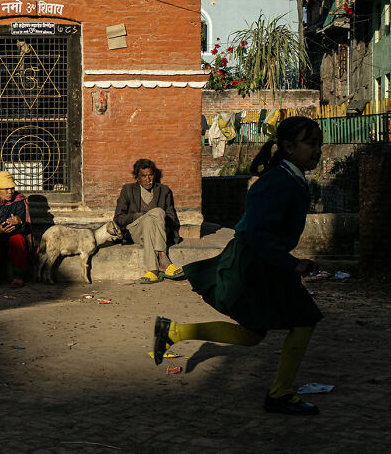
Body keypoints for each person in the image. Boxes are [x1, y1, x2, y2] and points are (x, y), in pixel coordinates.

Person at [153, 117, 324, 415]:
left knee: (253, 333)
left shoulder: (290, 176)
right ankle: (280, 394)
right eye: (311, 144)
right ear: (288, 146)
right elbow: (255, 232)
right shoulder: (278, 181)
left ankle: (174, 332)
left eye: (319, 144)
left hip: (264, 260)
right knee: (304, 319)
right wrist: (291, 264)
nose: (318, 150)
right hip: (258, 263)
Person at [114, 158, 183, 284]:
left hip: (155, 232)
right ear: (137, 177)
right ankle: (163, 258)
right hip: (136, 231)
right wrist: (138, 216)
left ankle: (153, 270)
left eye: (150, 175)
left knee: (155, 215)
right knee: (155, 213)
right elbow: (118, 218)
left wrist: (159, 222)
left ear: (154, 175)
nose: (148, 179)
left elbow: (172, 218)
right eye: (144, 176)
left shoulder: (164, 190)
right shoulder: (128, 190)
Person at [0, 171, 34, 288]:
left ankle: (18, 276)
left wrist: (18, 222)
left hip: (14, 233)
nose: (10, 191)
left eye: (12, 188)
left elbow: (25, 226)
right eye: (6, 189)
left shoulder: (19, 201)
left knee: (18, 239)